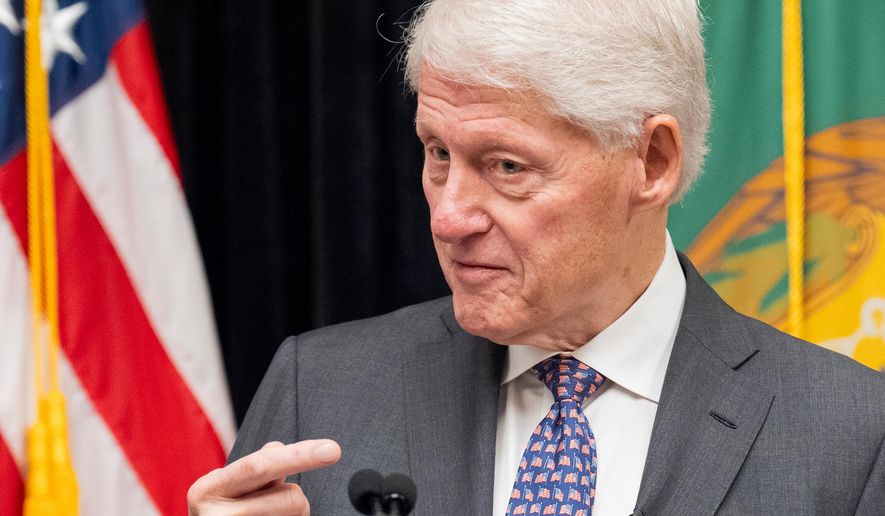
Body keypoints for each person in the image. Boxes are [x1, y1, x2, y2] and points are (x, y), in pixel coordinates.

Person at [187, 0, 885, 514]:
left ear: (651, 161)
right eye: (437, 153)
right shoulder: (320, 389)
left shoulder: (849, 435)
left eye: (507, 166)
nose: (449, 216)